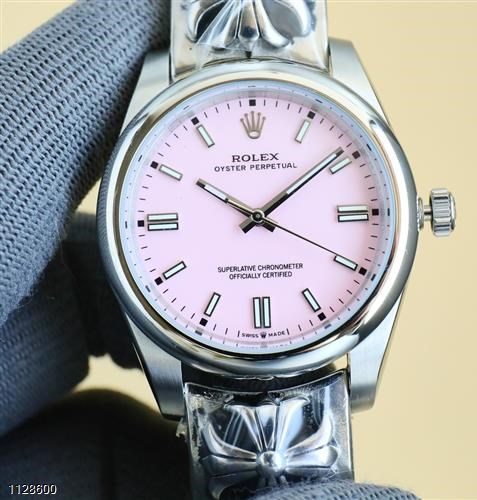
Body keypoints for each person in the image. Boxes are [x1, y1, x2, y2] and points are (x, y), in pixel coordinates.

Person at [0, 1, 418, 498]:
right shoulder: (332, 69)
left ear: (415, 213)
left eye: (260, 217)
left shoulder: (331, 67)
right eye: (254, 216)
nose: (257, 220)